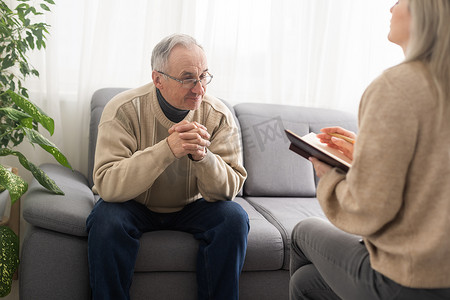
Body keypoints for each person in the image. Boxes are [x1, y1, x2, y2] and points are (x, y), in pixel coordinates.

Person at [289, 1, 450, 299]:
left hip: (407, 279)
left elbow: (367, 209)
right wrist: (364, 151)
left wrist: (329, 176)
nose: (391, 8)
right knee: (306, 283)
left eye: (400, 1)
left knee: (302, 232)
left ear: (424, 11)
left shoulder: (396, 86)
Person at [86, 34, 249, 300]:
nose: (199, 89)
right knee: (105, 219)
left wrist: (202, 157)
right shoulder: (122, 110)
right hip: (134, 205)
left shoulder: (218, 116)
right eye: (187, 78)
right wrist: (167, 149)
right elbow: (107, 184)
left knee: (233, 218)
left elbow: (230, 189)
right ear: (158, 79)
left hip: (193, 207)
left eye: (204, 76)